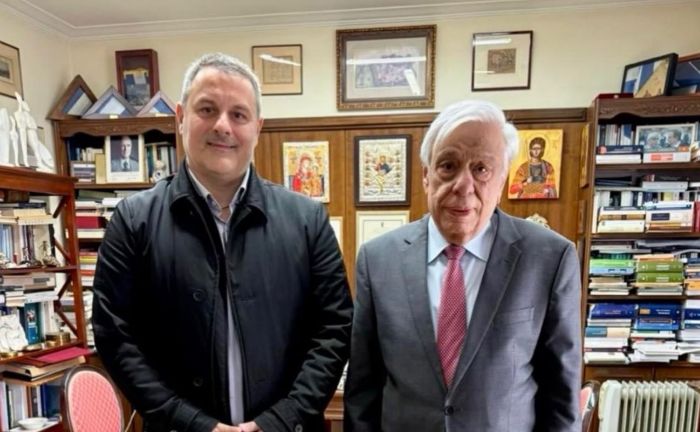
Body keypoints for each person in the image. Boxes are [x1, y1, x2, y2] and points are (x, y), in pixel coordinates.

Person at [92, 52, 353, 432]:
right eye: (207, 109)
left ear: (257, 128)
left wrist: (279, 420)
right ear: (181, 116)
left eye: (239, 114)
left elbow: (334, 329)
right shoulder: (133, 221)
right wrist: (193, 423)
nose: (222, 126)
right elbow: (114, 337)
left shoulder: (307, 220)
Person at [344, 100, 581, 431]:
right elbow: (362, 391)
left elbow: (561, 399)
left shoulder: (549, 259)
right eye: (448, 166)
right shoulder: (377, 260)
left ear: (502, 180)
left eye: (481, 169)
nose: (463, 185)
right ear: (426, 175)